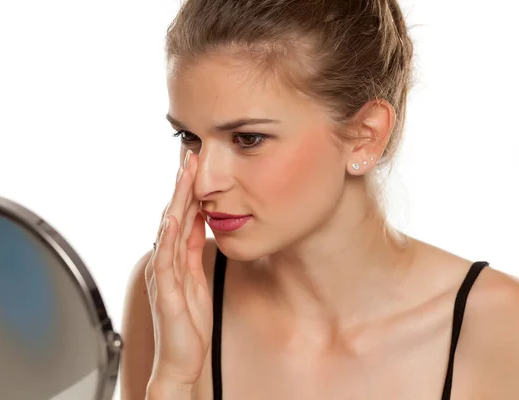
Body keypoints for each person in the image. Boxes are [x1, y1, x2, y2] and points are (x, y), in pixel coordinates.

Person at [120, 0, 519, 399]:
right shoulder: (172, 294)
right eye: (189, 137)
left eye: (248, 139)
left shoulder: (501, 327)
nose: (203, 182)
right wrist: (173, 379)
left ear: (366, 135)